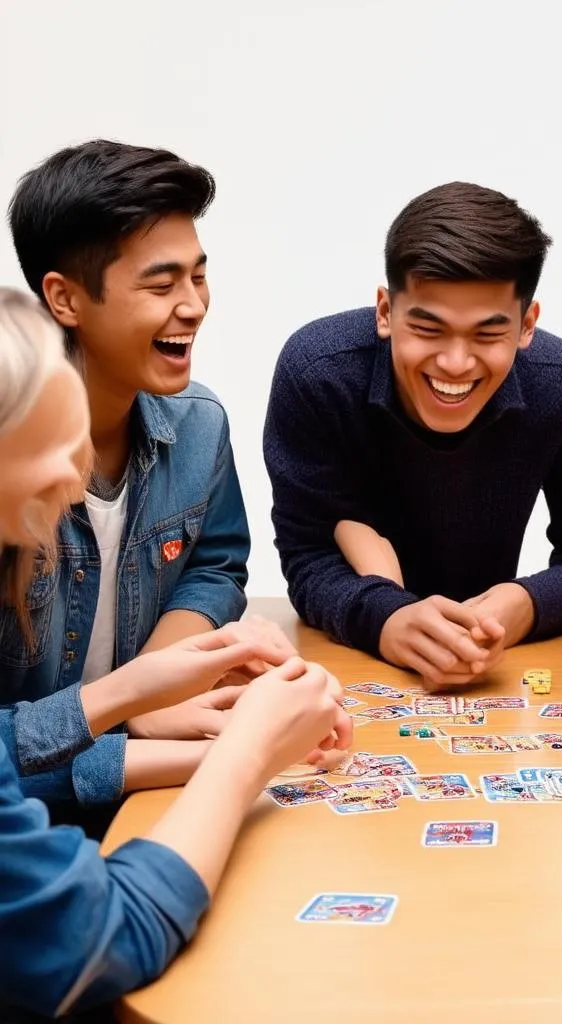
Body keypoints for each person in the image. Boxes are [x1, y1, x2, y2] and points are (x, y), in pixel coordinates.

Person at [0, 286, 353, 1021]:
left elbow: (7, 761)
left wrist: (132, 695)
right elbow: (96, 943)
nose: (76, 486)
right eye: (53, 453)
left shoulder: (199, 423)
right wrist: (244, 756)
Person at [264, 181, 562, 688]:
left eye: (487, 333)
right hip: (351, 672)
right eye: (429, 330)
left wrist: (523, 604)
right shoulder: (317, 374)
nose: (455, 364)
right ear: (385, 312)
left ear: (528, 325)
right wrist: (386, 618)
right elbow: (308, 554)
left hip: (496, 672)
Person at [3, 140, 253, 806]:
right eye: (161, 283)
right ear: (64, 298)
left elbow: (216, 564)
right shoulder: (9, 464)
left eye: (198, 276)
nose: (194, 305)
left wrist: (155, 680)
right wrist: (129, 712)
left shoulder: (199, 425)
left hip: (139, 785)